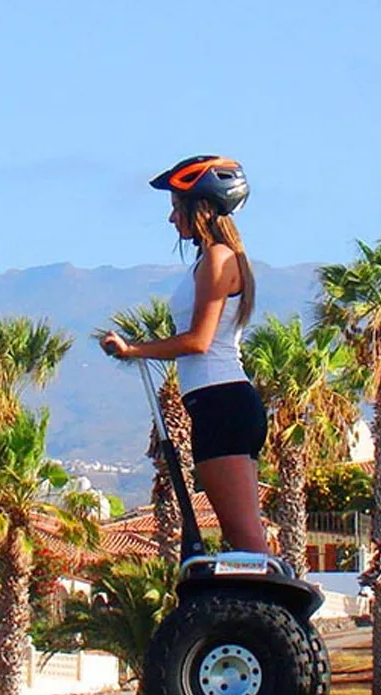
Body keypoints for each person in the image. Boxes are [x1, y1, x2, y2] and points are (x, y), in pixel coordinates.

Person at [99, 155, 270, 554]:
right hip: (218, 404)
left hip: (221, 403)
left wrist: (133, 350)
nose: (172, 218)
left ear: (203, 208)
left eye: (178, 207)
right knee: (242, 535)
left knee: (244, 534)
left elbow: (198, 341)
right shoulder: (212, 259)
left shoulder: (218, 259)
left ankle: (276, 594)